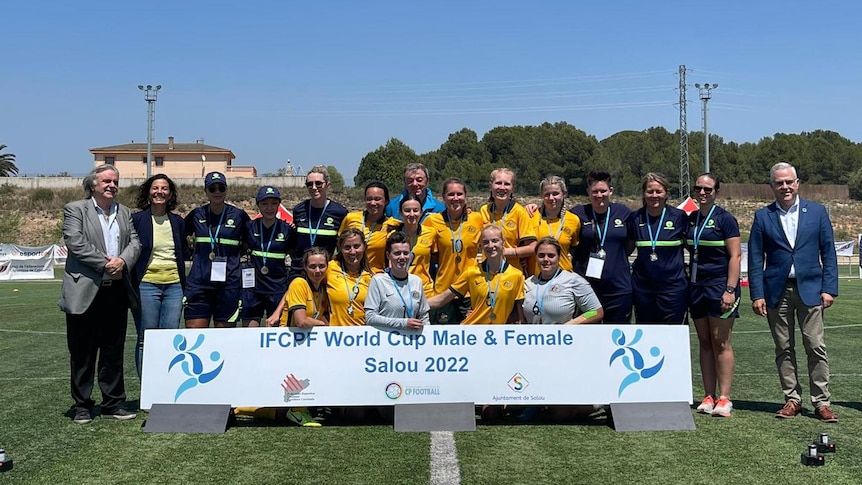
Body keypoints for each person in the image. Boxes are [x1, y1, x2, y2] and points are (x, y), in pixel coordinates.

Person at [748, 162, 839, 422]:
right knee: (783, 348)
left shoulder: (817, 212)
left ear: (797, 183)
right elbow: (755, 259)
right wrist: (757, 294)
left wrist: (829, 288)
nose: (785, 187)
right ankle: (792, 399)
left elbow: (828, 252)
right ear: (772, 186)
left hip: (811, 289)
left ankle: (821, 402)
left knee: (815, 346)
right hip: (776, 291)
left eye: (789, 182)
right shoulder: (762, 216)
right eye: (779, 183)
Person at [58, 165, 141, 424]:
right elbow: (74, 241)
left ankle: (113, 403)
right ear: (92, 184)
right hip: (85, 290)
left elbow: (135, 243)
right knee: (82, 352)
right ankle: (82, 405)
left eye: (115, 181)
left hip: (115, 291)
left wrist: (123, 262)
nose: (112, 185)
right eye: (106, 181)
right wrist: (105, 263)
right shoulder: (76, 209)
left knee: (113, 351)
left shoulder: (124, 212)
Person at [687, 173, 742, 417]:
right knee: (705, 342)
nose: (702, 192)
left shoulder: (725, 219)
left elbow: (735, 256)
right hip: (696, 288)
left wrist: (730, 289)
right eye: (698, 188)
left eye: (708, 189)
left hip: (720, 288)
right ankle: (708, 395)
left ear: (716, 191)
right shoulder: (690, 219)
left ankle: (724, 397)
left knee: (721, 342)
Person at [130, 174, 186, 379]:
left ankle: (166, 386)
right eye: (155, 188)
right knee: (146, 338)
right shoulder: (137, 220)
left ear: (170, 194)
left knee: (170, 338)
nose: (159, 192)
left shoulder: (178, 222)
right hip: (146, 286)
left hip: (174, 287)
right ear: (148, 192)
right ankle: (148, 388)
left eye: (164, 188)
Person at [183, 171, 250, 328]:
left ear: (226, 190)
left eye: (221, 188)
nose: (217, 192)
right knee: (195, 335)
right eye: (212, 188)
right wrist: (190, 254)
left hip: (228, 285)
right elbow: (179, 235)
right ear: (205, 191)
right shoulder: (196, 214)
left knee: (223, 339)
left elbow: (250, 242)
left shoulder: (239, 215)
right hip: (199, 284)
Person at [428, 224, 526, 325]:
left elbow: (520, 314)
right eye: (485, 242)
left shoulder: (516, 275)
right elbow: (443, 298)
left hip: (498, 334)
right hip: (473, 332)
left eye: (495, 241)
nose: (490, 245)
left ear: (503, 243)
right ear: (481, 245)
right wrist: (416, 305)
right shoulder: (472, 273)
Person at [571, 169, 633, 324]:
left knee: (617, 340)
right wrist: (531, 207)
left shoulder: (623, 212)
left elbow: (630, 244)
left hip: (618, 290)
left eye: (603, 191)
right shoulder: (577, 213)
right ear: (588, 192)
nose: (599, 195)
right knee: (588, 341)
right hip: (587, 291)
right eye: (595, 191)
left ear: (610, 191)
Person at [627, 173, 687, 324]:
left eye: (658, 191)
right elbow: (626, 250)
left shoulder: (679, 217)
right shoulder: (635, 218)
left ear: (666, 193)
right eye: (650, 191)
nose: (654, 195)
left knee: (672, 338)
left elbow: (692, 248)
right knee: (646, 338)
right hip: (643, 291)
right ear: (643, 193)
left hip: (673, 291)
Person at [423, 177, 484, 324]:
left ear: (465, 196)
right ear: (443, 197)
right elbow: (428, 255)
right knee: (443, 341)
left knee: (469, 340)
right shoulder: (432, 221)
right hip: (443, 291)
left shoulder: (477, 219)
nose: (455, 198)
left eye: (459, 194)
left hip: (470, 291)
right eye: (451, 194)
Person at [242, 186, 292, 327]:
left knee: (276, 334)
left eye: (273, 203)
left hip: (277, 289)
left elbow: (294, 254)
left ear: (278, 205)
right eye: (265, 203)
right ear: (258, 205)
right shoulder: (249, 227)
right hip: (253, 289)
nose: (269, 208)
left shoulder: (287, 229)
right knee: (250, 335)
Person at [523, 237, 603, 325]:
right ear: (536, 257)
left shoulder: (574, 280)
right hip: (534, 337)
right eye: (541, 255)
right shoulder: (528, 283)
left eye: (551, 255)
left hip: (563, 337)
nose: (545, 259)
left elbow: (596, 312)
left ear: (559, 257)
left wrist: (571, 324)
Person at [288, 165, 348, 282]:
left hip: (324, 273)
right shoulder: (299, 210)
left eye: (318, 183)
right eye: (310, 184)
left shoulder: (339, 212)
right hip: (299, 272)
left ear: (327, 185)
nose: (314, 187)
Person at [365, 231, 431, 329]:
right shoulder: (378, 281)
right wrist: (403, 323)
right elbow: (370, 317)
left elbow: (424, 317)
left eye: (405, 253)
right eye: (397, 253)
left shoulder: (417, 281)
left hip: (412, 341)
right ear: (388, 255)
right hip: (386, 340)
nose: (402, 257)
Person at [480, 168, 537, 274]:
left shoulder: (520, 212)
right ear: (490, 186)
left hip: (512, 273)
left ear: (513, 188)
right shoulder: (484, 210)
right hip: (487, 272)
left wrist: (506, 252)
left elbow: (532, 247)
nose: (502, 187)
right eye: (498, 183)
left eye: (507, 184)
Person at [384, 194, 435, 297]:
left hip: (424, 290)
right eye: (407, 210)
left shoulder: (431, 233)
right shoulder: (391, 235)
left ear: (421, 213)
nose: (412, 214)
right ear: (400, 213)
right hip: (399, 289)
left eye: (415, 210)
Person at [530, 176, 581, 274]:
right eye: (547, 194)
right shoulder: (530, 216)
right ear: (541, 195)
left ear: (564, 194)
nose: (551, 198)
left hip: (563, 279)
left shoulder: (573, 220)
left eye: (555, 194)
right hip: (536, 278)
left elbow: (575, 251)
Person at [339, 181, 390, 273]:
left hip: (376, 276)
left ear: (386, 201)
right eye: (369, 199)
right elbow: (339, 243)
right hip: (349, 275)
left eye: (377, 199)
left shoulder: (392, 225)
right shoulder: (351, 218)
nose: (373, 203)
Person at [327, 228, 373, 325]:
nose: (352, 252)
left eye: (356, 246)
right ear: (340, 248)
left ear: (364, 246)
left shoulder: (371, 277)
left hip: (361, 336)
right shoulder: (330, 268)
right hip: (334, 336)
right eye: (347, 247)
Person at [280, 247, 330, 328]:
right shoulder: (299, 283)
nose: (317, 270)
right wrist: (323, 325)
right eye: (312, 267)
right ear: (305, 267)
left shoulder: (324, 288)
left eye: (321, 266)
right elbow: (301, 321)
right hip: (290, 336)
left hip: (311, 336)